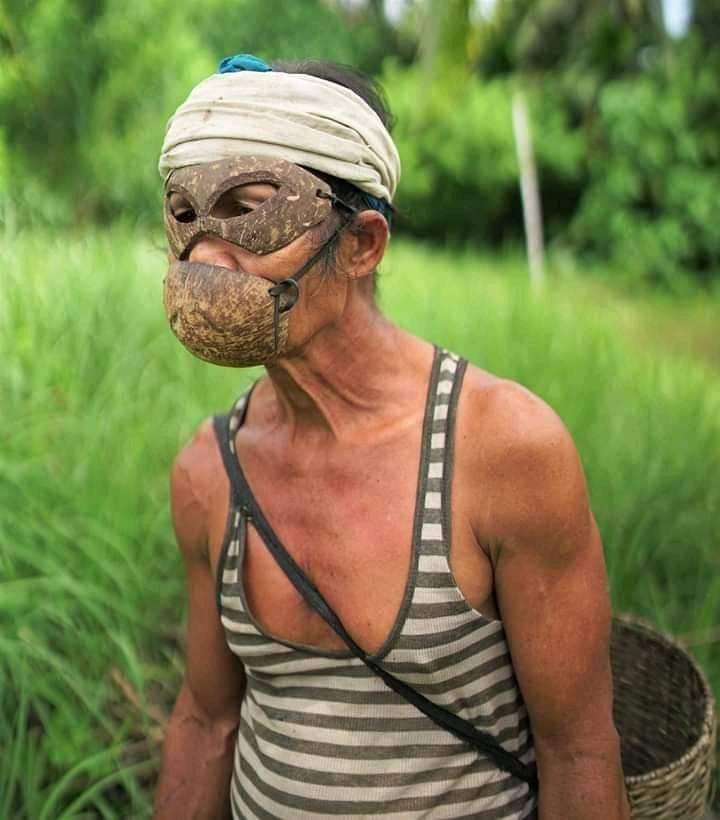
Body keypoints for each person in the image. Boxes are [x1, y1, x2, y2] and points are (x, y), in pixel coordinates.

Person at [153, 54, 630, 820]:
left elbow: (578, 753)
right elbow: (207, 721)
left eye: (249, 212)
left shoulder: (505, 453)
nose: (207, 257)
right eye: (185, 216)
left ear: (363, 244)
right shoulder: (209, 473)